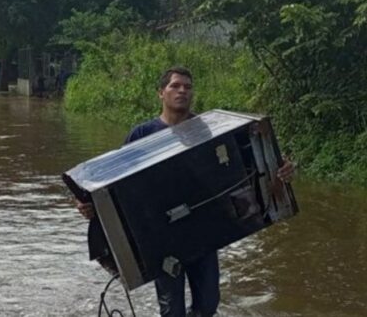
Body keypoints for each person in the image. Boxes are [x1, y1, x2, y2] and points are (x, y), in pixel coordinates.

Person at [75, 66, 296, 317]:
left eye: (187, 87)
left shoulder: (209, 130)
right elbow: (115, 184)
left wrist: (281, 168)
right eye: (175, 86)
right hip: (163, 237)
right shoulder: (142, 135)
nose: (182, 91)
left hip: (204, 231)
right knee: (172, 309)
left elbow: (245, 164)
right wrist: (90, 207)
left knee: (209, 304)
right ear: (161, 93)